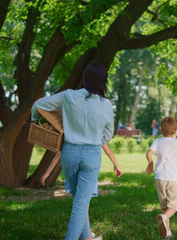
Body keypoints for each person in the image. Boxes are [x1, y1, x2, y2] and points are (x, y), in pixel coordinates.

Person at [31, 62, 115, 240]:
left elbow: (39, 104)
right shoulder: (106, 105)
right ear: (103, 81)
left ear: (85, 78)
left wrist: (35, 119)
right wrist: (93, 139)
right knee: (80, 202)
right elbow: (108, 135)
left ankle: (87, 237)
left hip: (69, 153)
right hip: (92, 155)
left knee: (79, 199)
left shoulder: (68, 96)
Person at [145, 117, 177, 238]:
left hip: (159, 178)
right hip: (173, 178)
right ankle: (164, 218)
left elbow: (148, 154)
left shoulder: (157, 141)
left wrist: (150, 163)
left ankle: (167, 232)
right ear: (175, 131)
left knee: (164, 207)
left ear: (161, 131)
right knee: (173, 207)